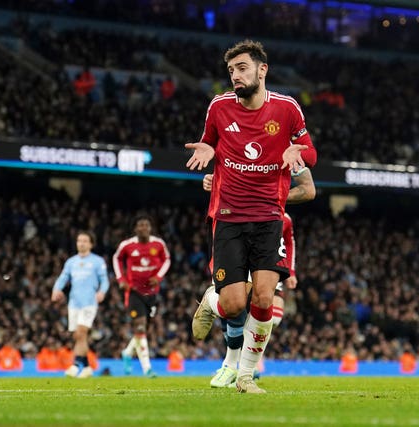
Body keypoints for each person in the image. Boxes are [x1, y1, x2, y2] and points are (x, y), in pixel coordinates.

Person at [186, 39, 317, 393]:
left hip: (268, 217)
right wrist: (207, 149)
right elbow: (209, 142)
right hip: (228, 215)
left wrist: (299, 151)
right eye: (231, 71)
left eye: (242, 68)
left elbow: (312, 154)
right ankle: (210, 302)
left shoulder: (288, 109)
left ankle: (245, 375)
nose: (235, 76)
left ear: (262, 70)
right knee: (233, 304)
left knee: (263, 300)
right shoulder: (219, 107)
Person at [202, 168, 315, 388]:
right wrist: (213, 180)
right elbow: (228, 168)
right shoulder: (238, 145)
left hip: (268, 244)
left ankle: (245, 369)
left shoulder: (285, 218)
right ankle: (230, 366)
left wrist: (290, 271)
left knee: (269, 314)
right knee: (235, 308)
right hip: (235, 231)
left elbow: (308, 190)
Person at [113, 215, 171, 378]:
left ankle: (127, 352)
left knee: (145, 328)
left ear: (150, 228)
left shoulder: (158, 244)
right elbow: (116, 258)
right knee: (139, 326)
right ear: (135, 229)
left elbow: (167, 260)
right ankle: (147, 368)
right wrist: (121, 279)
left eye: (147, 225)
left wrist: (158, 277)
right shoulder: (127, 245)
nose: (144, 228)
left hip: (151, 292)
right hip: (133, 291)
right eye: (141, 225)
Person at [51, 231, 109, 378]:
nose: (81, 243)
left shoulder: (97, 261)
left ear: (91, 244)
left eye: (84, 241)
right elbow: (63, 277)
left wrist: (101, 292)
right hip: (74, 303)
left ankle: (75, 365)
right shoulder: (71, 262)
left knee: (81, 332)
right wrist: (56, 289)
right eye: (79, 241)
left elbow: (105, 280)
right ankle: (87, 367)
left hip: (89, 303)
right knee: (78, 336)